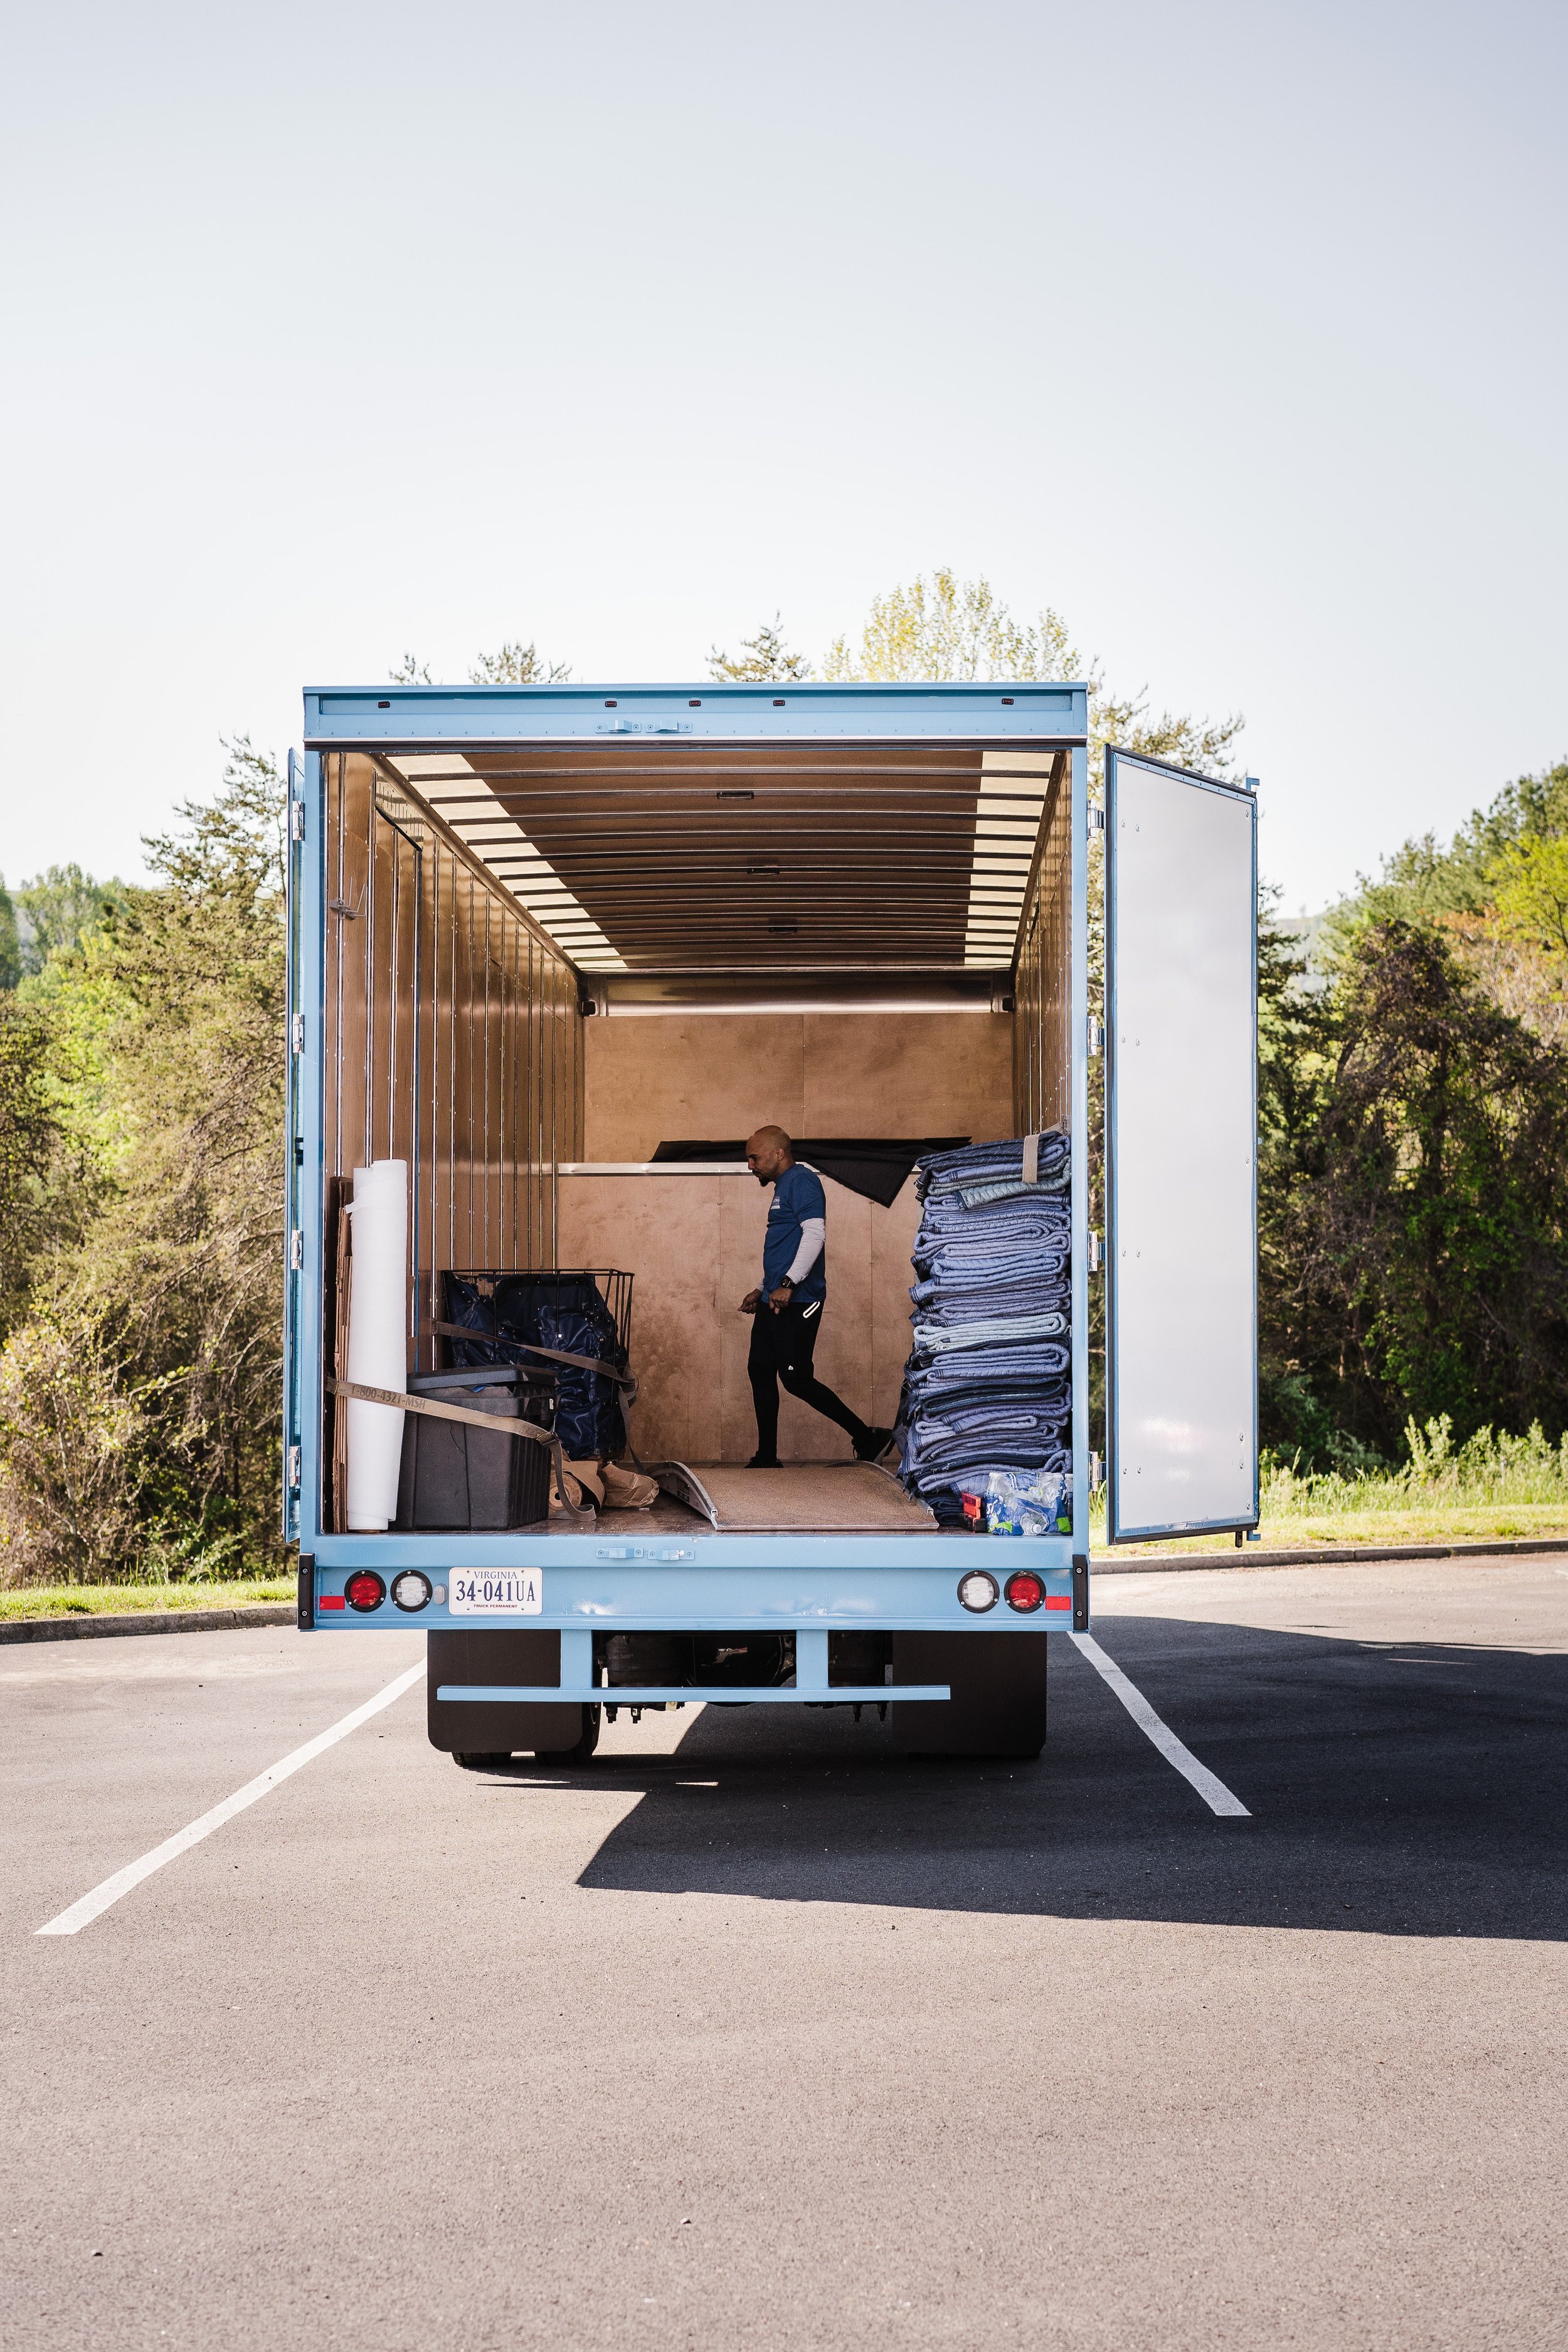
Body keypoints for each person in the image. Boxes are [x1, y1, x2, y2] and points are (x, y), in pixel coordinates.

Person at [738, 1125, 894, 1470]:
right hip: (774, 1300)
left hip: (798, 1300)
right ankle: (767, 1457)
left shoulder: (802, 1181)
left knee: (796, 1378)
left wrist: (789, 1283)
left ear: (779, 1153)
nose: (751, 1165)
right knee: (760, 1370)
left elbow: (815, 1234)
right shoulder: (783, 1186)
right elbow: (785, 1246)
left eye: (755, 1157)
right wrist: (763, 1288)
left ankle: (868, 1437)